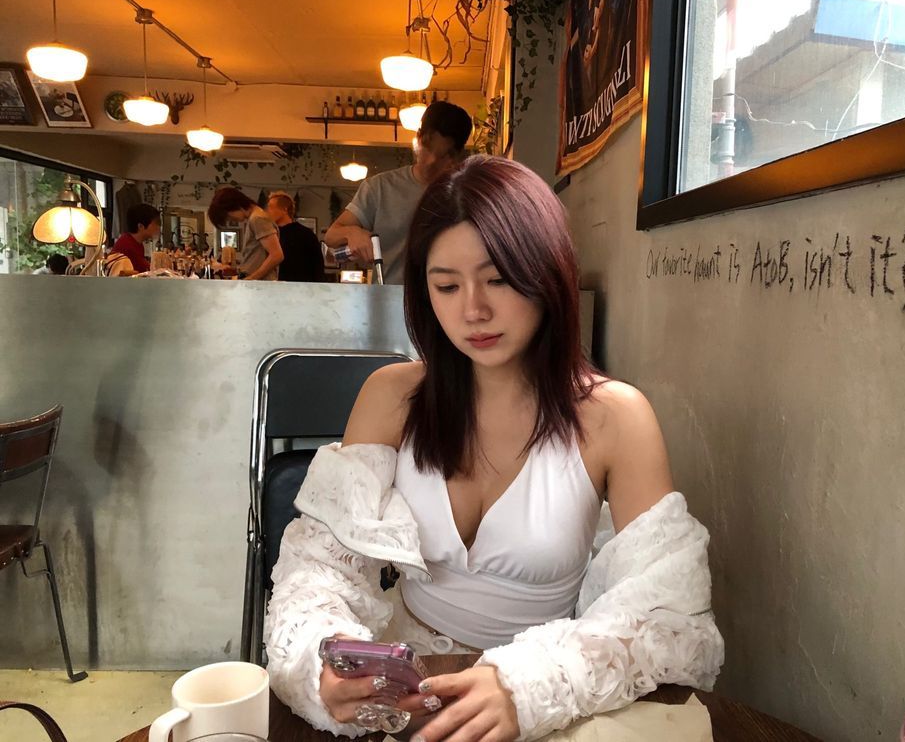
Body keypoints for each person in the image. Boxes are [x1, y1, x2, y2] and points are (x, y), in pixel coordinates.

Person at [265, 156, 724, 742]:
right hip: (411, 690)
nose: (473, 310)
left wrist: (528, 685)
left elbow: (671, 619)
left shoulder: (614, 417)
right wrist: (325, 655)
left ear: (547, 273)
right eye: (446, 285)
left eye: (499, 279)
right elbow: (319, 567)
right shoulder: (393, 396)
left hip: (547, 696)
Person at [324, 100, 473, 284]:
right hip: (388, 296)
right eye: (427, 148)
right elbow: (331, 235)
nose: (430, 161)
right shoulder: (379, 187)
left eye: (442, 155)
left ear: (456, 156)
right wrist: (352, 232)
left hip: (445, 298)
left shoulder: (464, 195)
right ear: (418, 138)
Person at [208, 187, 283, 281]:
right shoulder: (254, 219)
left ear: (235, 206)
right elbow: (256, 258)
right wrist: (238, 270)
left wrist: (251, 278)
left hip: (260, 284)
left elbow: (276, 255)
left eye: (228, 216)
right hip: (256, 282)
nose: (231, 220)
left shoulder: (257, 219)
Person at [266, 191, 325, 282]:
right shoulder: (270, 235)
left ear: (284, 209)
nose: (267, 211)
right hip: (274, 286)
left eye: (271, 207)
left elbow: (317, 266)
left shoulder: (306, 234)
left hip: (301, 286)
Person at [110, 203, 160, 273]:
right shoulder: (127, 245)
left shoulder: (136, 242)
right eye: (155, 224)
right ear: (140, 226)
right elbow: (144, 271)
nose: (158, 227)